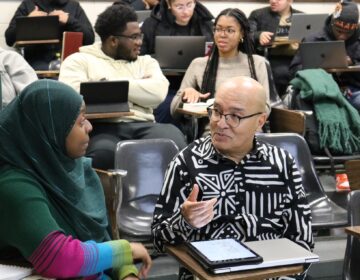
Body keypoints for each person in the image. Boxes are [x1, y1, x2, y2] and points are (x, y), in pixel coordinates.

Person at [152, 76, 314, 279]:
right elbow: (158, 239)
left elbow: (302, 240)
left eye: (235, 116)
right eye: (217, 111)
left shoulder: (282, 164)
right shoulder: (187, 162)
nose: (221, 123)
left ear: (260, 121)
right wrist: (184, 221)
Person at [0, 79, 151, 279]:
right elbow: (59, 258)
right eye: (80, 121)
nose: (89, 127)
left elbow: (103, 239)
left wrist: (126, 273)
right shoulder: (14, 186)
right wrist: (126, 251)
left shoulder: (79, 170)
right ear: (50, 130)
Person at [59, 3, 187, 170]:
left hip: (145, 124)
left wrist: (105, 85)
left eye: (140, 36)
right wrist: (138, 87)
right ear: (113, 40)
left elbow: (158, 93)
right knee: (103, 154)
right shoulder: (79, 60)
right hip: (101, 127)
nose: (140, 42)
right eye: (134, 37)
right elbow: (73, 97)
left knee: (174, 143)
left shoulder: (146, 61)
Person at [170, 8, 270, 138]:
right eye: (218, 29)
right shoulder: (199, 64)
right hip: (213, 134)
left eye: (230, 30)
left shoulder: (257, 63)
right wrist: (185, 95)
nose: (222, 35)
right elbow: (173, 111)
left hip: (249, 134)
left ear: (242, 34)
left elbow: (266, 107)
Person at [290, 0, 360, 113]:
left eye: (348, 33)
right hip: (321, 90)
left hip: (353, 90)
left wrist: (353, 64)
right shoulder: (312, 40)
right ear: (332, 23)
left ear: (355, 28)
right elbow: (294, 70)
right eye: (339, 31)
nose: (342, 36)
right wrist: (317, 68)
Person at [5, 0, 94, 70]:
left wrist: (69, 20)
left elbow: (90, 39)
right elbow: (9, 38)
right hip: (36, 63)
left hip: (69, 63)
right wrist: (28, 21)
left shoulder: (73, 6)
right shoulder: (28, 5)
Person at [248, 0, 302, 97]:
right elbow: (246, 34)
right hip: (271, 58)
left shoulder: (301, 17)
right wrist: (258, 35)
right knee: (281, 73)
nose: (273, 1)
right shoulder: (258, 15)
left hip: (297, 59)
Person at [140, 0, 213, 55]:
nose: (186, 12)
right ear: (169, 4)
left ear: (194, 3)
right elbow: (141, 54)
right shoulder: (151, 24)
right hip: (160, 72)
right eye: (179, 7)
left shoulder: (206, 24)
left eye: (189, 5)